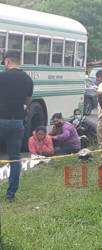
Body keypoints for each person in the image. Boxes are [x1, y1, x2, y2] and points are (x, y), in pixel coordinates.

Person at [0, 50, 33, 202]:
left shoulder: (2, 76)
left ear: (7, 61)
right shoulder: (27, 79)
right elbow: (27, 102)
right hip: (17, 122)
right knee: (14, 158)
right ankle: (10, 195)